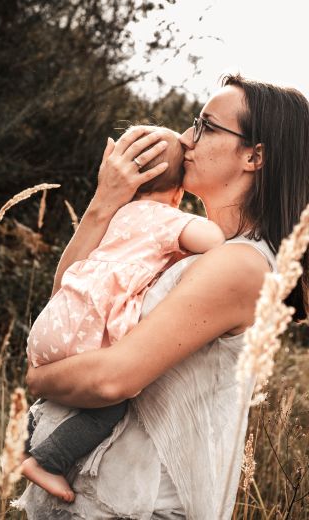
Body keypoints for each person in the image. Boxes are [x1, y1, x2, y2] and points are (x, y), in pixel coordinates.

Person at [14, 75, 309, 519]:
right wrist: (105, 202)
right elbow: (68, 307)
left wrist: (38, 378)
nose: (187, 138)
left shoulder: (242, 264)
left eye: (206, 126)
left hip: (139, 504)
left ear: (254, 155)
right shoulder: (189, 244)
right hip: (97, 492)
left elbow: (111, 380)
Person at [21, 127, 225, 502]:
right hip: (92, 334)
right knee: (109, 408)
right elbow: (215, 242)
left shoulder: (118, 215)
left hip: (54, 324)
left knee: (53, 396)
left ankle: (26, 438)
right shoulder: (167, 219)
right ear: (178, 193)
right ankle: (47, 461)